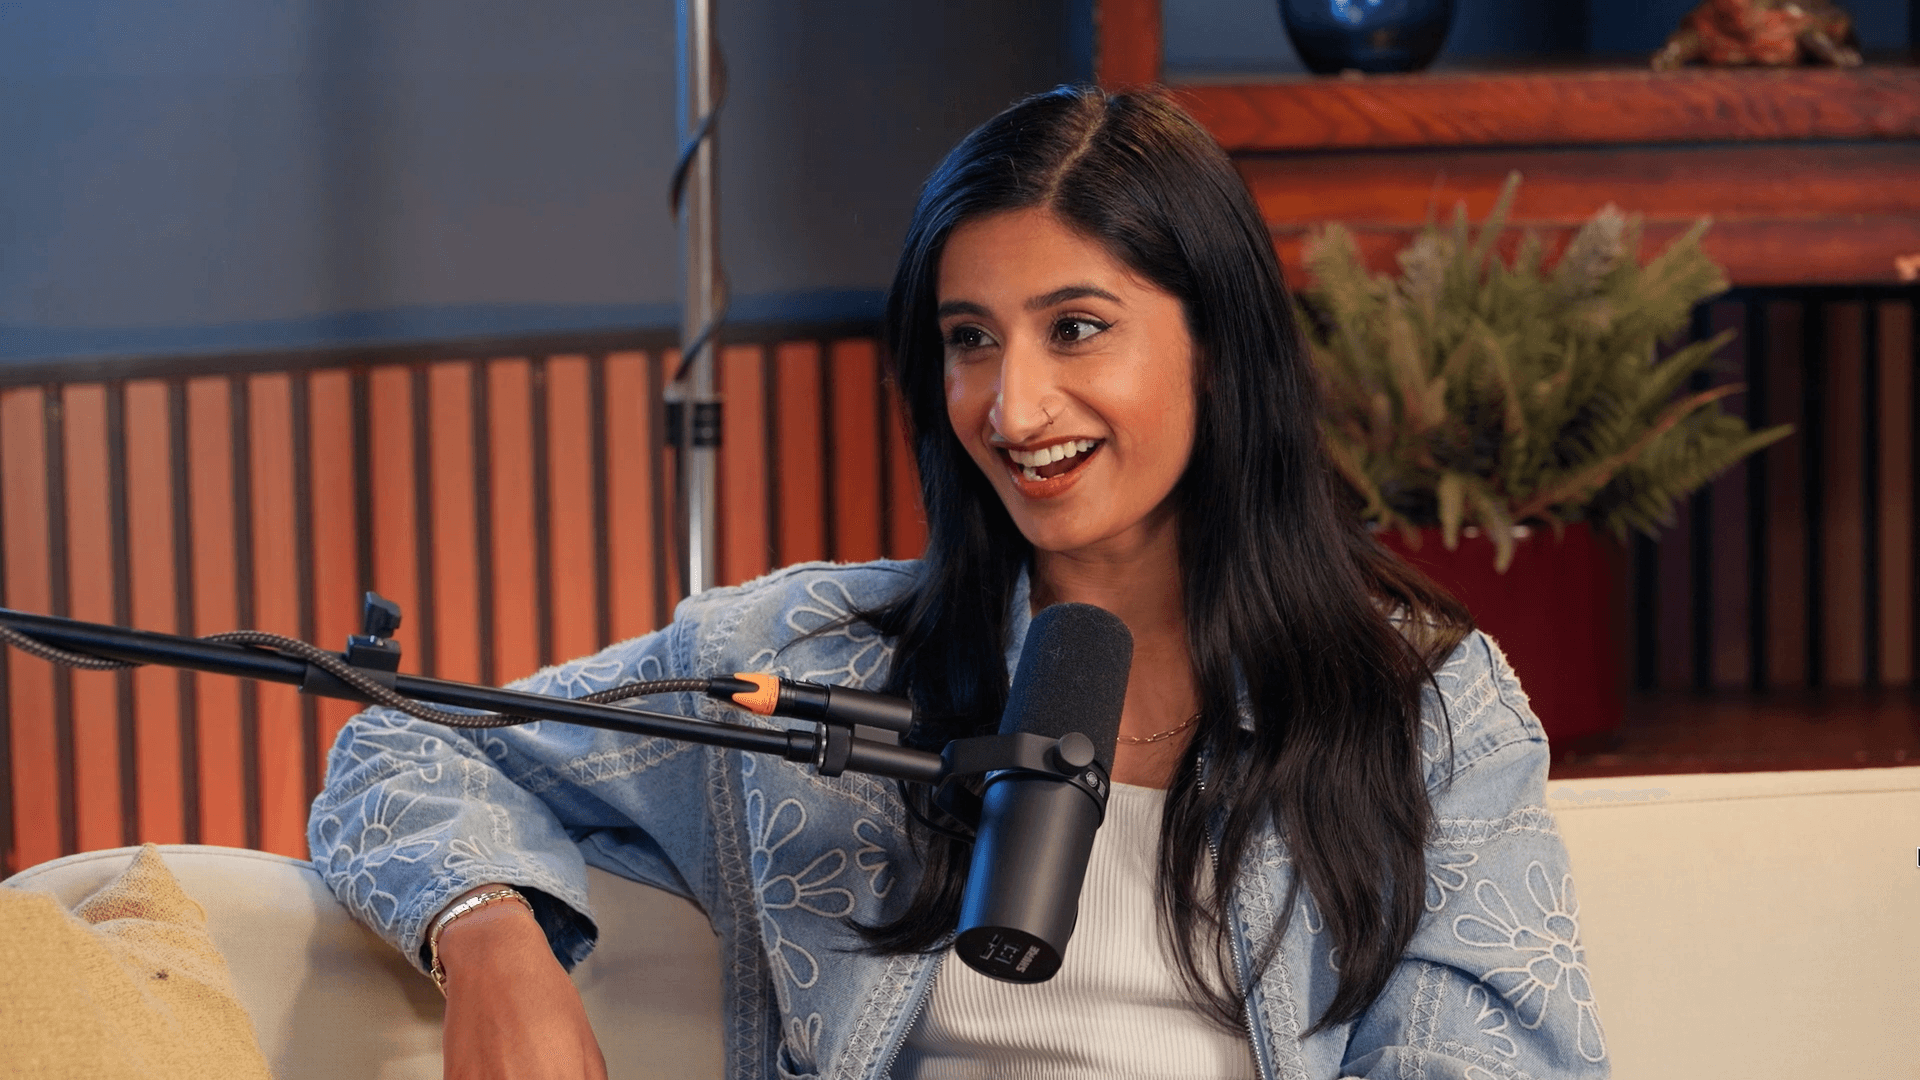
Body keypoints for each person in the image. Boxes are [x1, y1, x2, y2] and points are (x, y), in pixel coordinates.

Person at [309, 86, 1609, 1080]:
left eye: (1077, 327)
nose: (1014, 402)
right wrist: (488, 936)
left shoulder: (1428, 710)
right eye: (968, 340)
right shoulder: (813, 658)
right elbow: (410, 744)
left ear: (1217, 345)